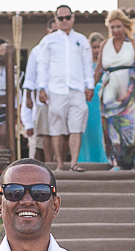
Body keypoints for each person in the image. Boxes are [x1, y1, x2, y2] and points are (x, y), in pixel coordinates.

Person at [36, 5, 95, 171]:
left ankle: (74, 163)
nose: (64, 21)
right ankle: (60, 164)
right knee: (57, 129)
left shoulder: (82, 40)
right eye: (60, 18)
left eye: (67, 17)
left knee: (76, 127)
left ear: (73, 18)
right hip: (56, 90)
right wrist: (41, 87)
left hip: (77, 90)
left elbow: (87, 65)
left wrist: (89, 86)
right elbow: (43, 65)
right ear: (55, 20)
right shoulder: (48, 40)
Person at [96, 9, 135, 171]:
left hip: (130, 89)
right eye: (112, 27)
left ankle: (128, 162)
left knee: (129, 125)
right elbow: (99, 68)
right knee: (111, 124)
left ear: (124, 27)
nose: (115, 30)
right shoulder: (104, 45)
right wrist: (91, 88)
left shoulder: (132, 44)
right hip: (109, 90)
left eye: (118, 27)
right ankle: (115, 162)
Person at [23, 19, 57, 162]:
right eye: (54, 31)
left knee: (61, 133)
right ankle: (50, 165)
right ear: (48, 31)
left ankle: (59, 162)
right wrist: (29, 98)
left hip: (62, 96)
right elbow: (30, 76)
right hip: (44, 98)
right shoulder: (37, 50)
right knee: (45, 134)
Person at [77, 33, 109, 165]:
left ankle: (103, 159)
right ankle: (85, 160)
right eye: (93, 47)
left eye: (98, 47)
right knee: (87, 131)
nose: (96, 50)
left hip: (104, 100)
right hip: (88, 100)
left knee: (101, 131)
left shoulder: (107, 63)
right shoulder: (84, 64)